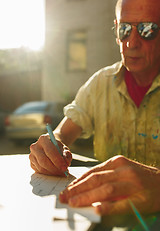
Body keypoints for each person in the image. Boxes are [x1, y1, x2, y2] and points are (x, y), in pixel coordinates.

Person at [29, 0, 160, 214]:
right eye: (124, 29)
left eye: (147, 29)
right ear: (116, 31)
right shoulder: (99, 84)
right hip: (102, 217)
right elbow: (62, 133)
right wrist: (51, 149)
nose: (131, 43)